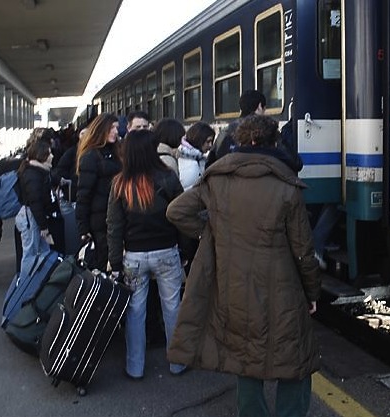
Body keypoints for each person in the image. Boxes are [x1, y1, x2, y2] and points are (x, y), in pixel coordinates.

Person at [166, 115, 320, 417]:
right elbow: (303, 251)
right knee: (295, 359)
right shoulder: (286, 185)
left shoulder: (218, 177)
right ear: (272, 143)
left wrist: (209, 232)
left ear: (244, 142)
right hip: (282, 289)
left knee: (246, 358)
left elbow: (176, 211)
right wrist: (312, 291)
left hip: (232, 286)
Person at [106, 129, 186, 378]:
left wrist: (116, 262)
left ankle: (135, 367)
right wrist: (184, 250)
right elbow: (182, 216)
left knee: (135, 311)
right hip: (167, 252)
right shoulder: (169, 177)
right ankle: (177, 363)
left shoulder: (120, 183)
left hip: (134, 257)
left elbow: (114, 225)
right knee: (172, 307)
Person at [76, 113, 121, 272]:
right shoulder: (90, 156)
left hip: (115, 216)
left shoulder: (116, 152)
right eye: (111, 128)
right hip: (100, 220)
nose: (116, 131)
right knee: (104, 261)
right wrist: (83, 228)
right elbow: (83, 195)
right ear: (100, 129)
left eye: (116, 127)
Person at [15, 140, 58, 280]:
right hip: (32, 218)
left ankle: (37, 283)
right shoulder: (33, 175)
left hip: (33, 217)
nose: (52, 156)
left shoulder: (37, 172)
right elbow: (35, 202)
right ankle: (25, 285)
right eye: (49, 153)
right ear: (41, 155)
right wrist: (43, 226)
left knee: (43, 252)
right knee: (31, 254)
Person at [205, 89, 266, 167]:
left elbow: (210, 163)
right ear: (260, 106)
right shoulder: (265, 132)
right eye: (264, 109)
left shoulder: (226, 132)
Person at [176, 121, 214, 191]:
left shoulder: (193, 158)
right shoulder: (191, 162)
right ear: (199, 139)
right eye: (208, 141)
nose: (210, 145)